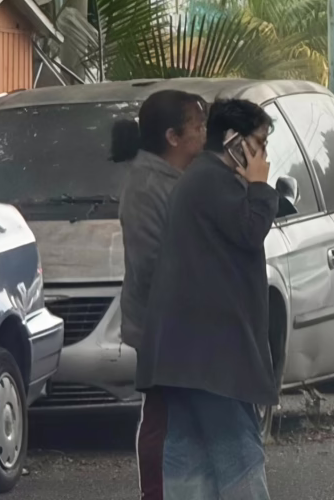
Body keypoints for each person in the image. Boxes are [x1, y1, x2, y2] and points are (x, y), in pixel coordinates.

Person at [134, 99, 279, 500]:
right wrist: (261, 186)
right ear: (235, 143)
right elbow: (251, 231)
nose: (264, 155)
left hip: (188, 358)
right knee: (239, 461)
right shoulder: (214, 180)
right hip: (213, 360)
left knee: (191, 469)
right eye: (259, 144)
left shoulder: (199, 179)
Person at [110, 90, 208, 500]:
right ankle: (157, 492)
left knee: (185, 420)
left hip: (186, 323)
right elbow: (152, 265)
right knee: (164, 418)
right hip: (164, 324)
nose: (205, 135)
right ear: (172, 136)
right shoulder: (149, 185)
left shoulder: (183, 177)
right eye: (198, 127)